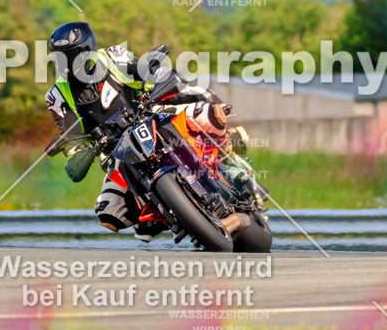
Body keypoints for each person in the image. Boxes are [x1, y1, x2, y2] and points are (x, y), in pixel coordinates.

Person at [43, 21, 255, 241]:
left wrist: (151, 70)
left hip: (149, 115)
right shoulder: (56, 96)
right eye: (59, 57)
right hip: (116, 152)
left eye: (70, 56)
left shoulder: (112, 57)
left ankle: (231, 160)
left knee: (209, 113)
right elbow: (71, 136)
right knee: (109, 214)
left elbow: (140, 71)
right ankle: (172, 215)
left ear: (88, 50)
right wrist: (76, 151)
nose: (65, 63)